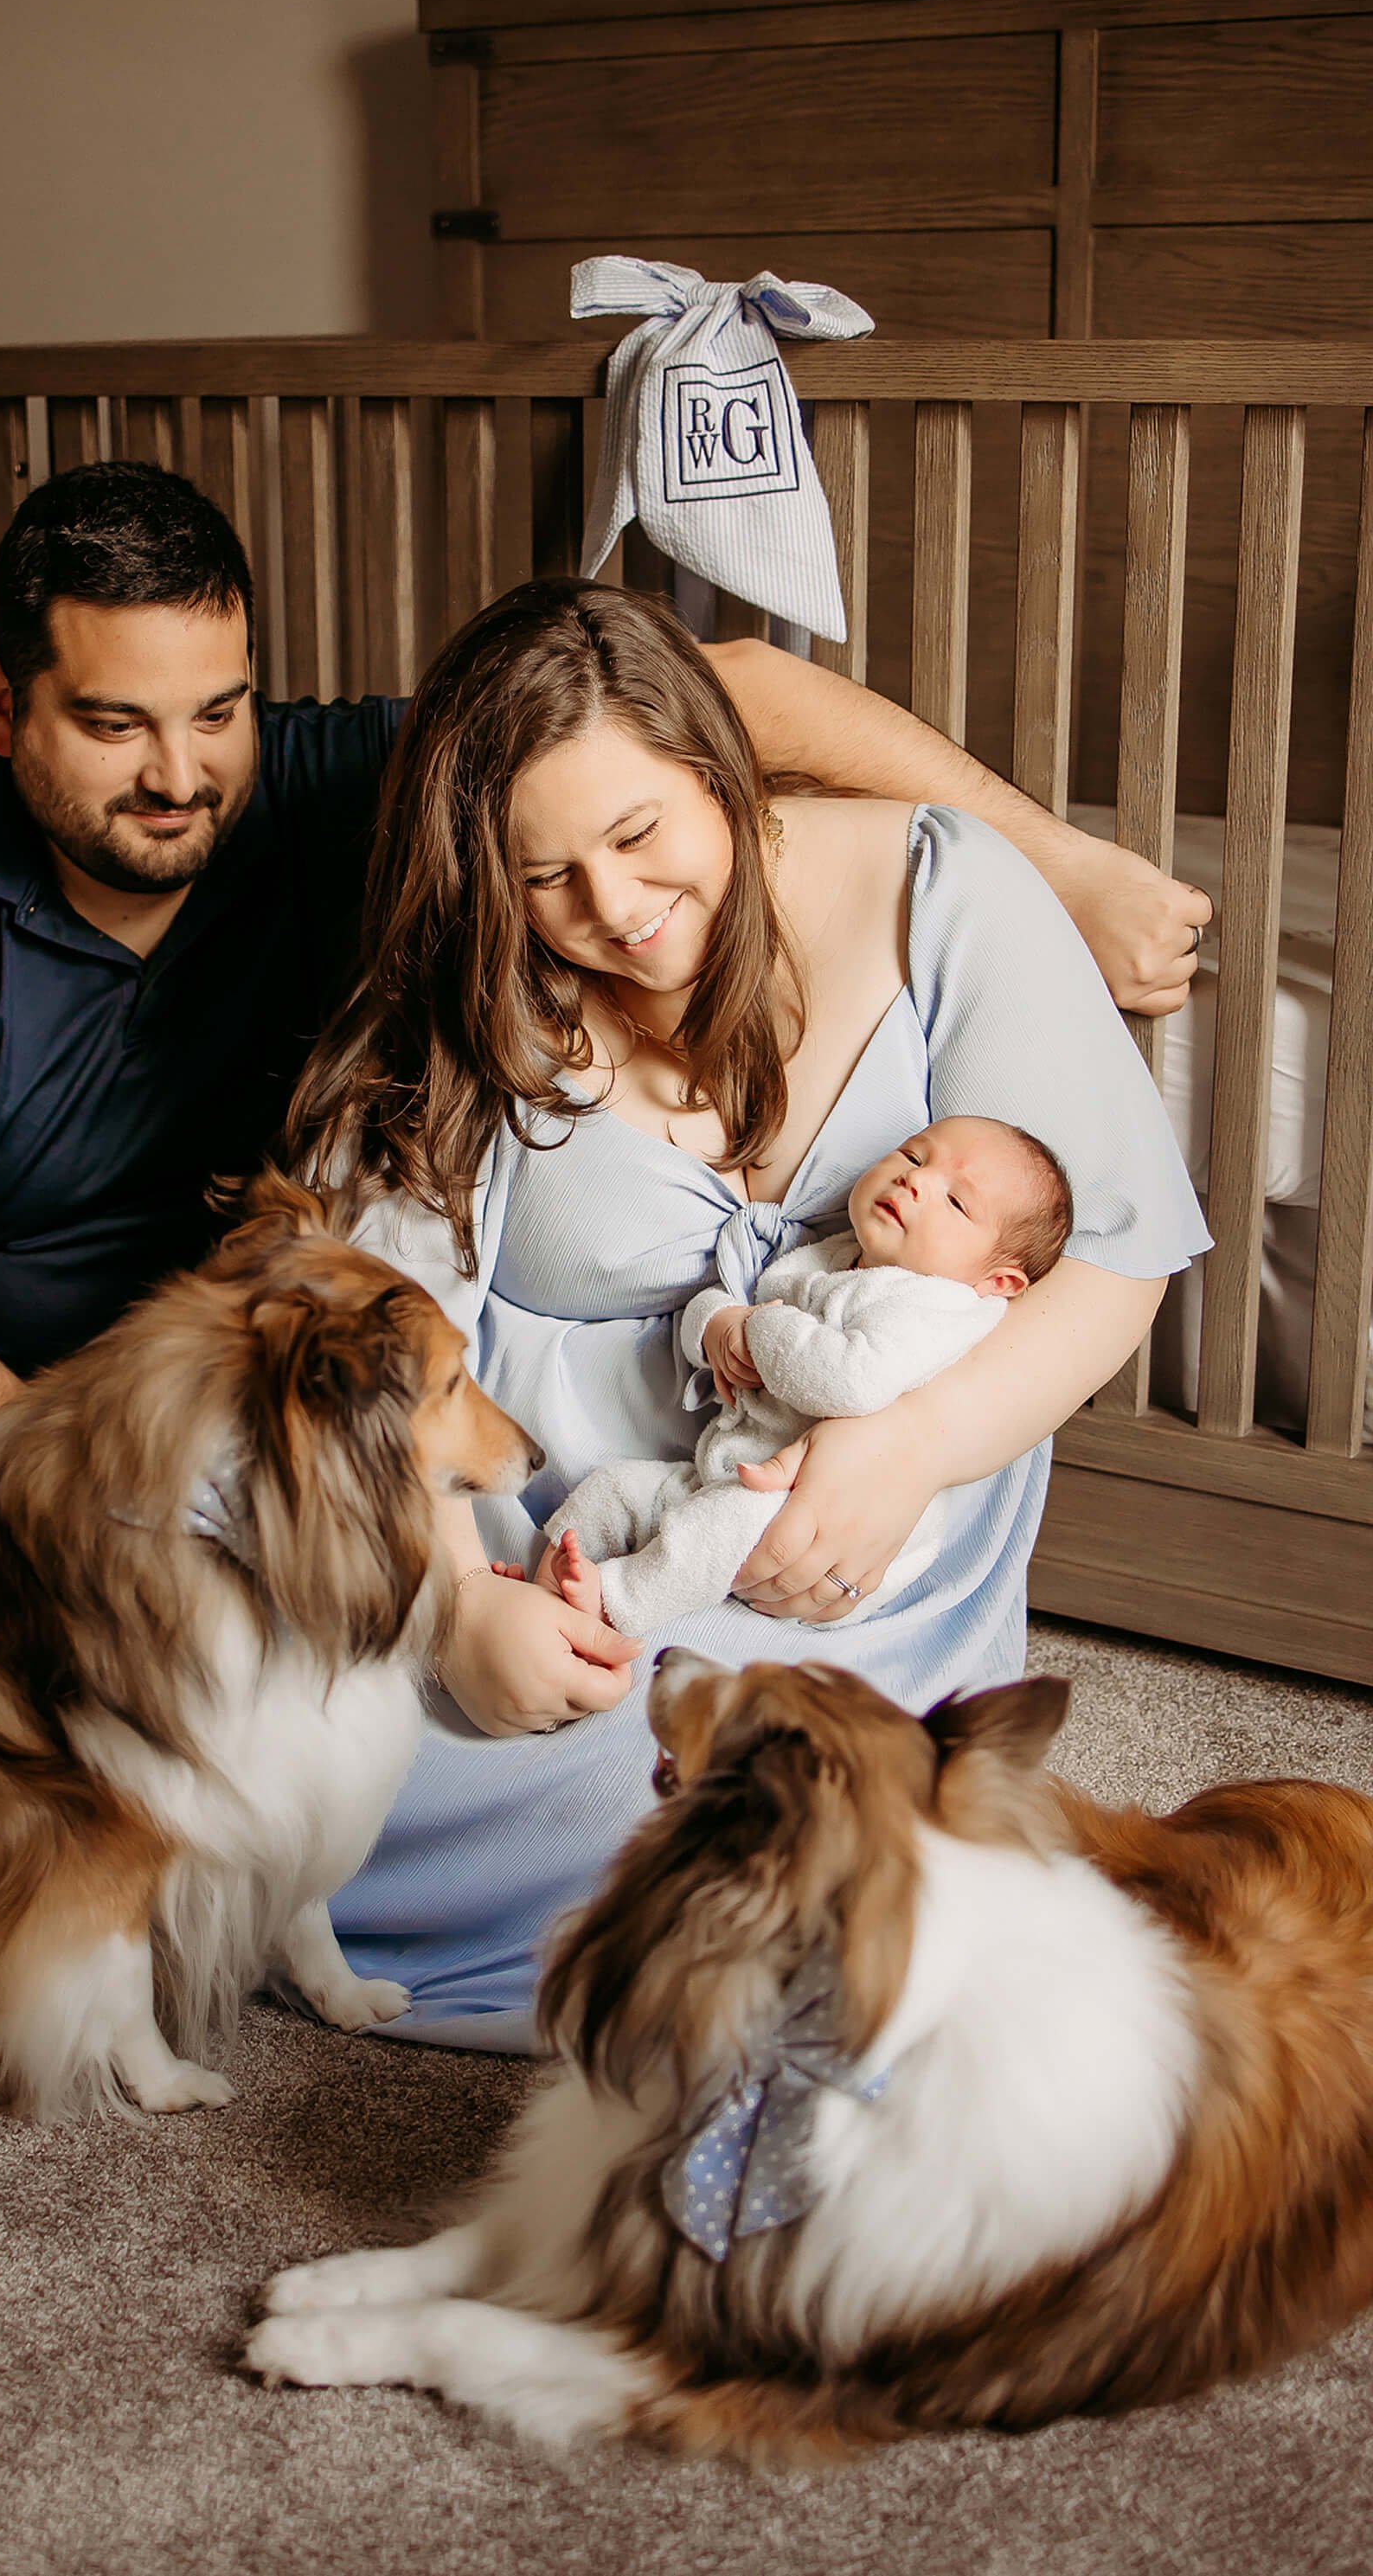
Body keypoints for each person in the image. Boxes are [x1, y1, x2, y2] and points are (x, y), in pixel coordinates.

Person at [0, 465, 1209, 1794]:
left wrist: (1060, 865)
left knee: (151, 1689)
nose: (180, 774)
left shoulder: (388, 776)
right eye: (115, 725)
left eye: (217, 713)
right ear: (4, 704)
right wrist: (113, 1514)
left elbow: (727, 692)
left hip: (258, 1337)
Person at [285, 579, 1211, 2050]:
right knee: (267, 1752)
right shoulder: (479, 984)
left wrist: (905, 1445)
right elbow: (374, 1321)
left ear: (721, 775)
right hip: (535, 1513)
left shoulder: (938, 886)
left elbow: (1122, 1253)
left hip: (845, 1544)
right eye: (547, 876)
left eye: (643, 836)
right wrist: (460, 1602)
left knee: (747, 1808)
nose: (614, 909)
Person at [526, 1115, 1072, 1635]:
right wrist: (717, 1325)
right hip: (725, 1475)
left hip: (822, 1521)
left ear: (999, 1282)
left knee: (717, 1528)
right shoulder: (837, 1256)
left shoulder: (937, 1307)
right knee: (615, 1489)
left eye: (956, 1201)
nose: (915, 1180)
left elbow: (851, 1380)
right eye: (913, 1155)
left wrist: (760, 1328)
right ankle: (546, 1581)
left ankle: (616, 1602)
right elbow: (744, 1300)